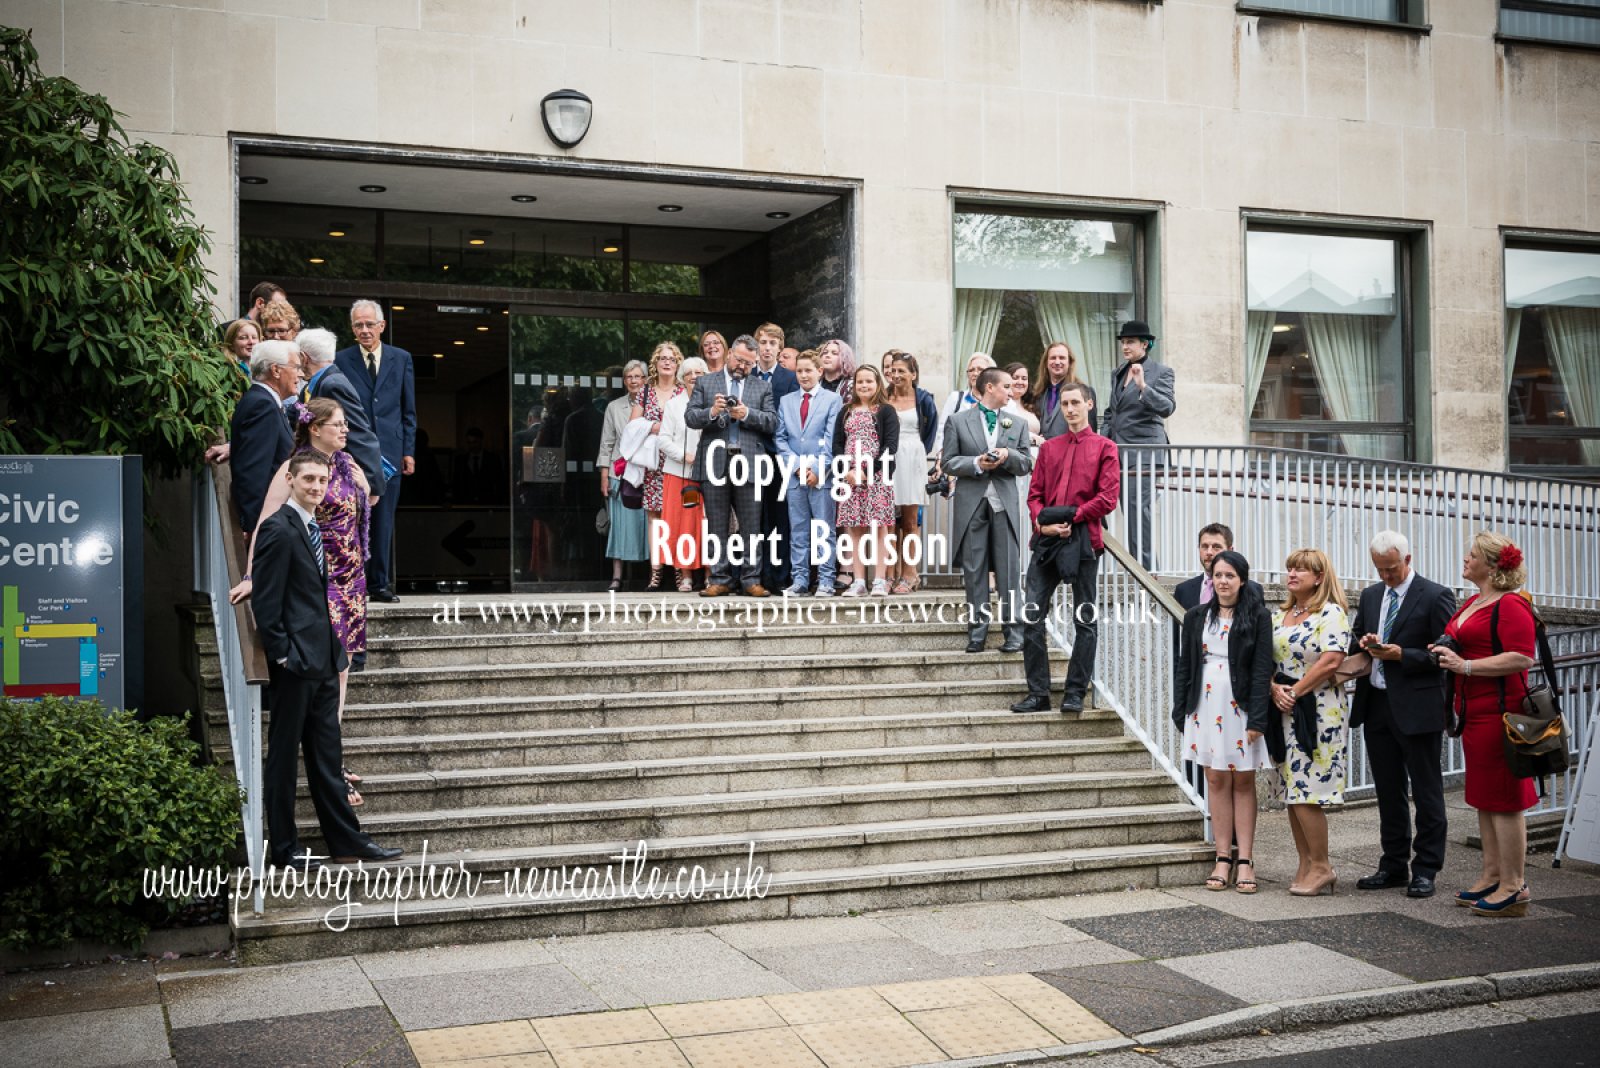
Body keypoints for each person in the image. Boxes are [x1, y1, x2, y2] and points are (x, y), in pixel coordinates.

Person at [249, 450, 401, 869]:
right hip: (296, 664)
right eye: (308, 479)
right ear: (291, 480)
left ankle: (346, 841)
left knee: (327, 757)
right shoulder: (278, 528)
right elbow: (266, 602)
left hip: (324, 660)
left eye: (321, 480)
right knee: (283, 759)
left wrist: (332, 652)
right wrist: (283, 655)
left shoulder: (311, 525)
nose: (316, 486)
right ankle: (284, 849)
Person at [232, 398, 372, 799]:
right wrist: (252, 574)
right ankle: (330, 765)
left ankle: (331, 758)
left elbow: (360, 513)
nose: (345, 431)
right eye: (338, 425)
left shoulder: (347, 464)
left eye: (346, 425)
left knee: (342, 670)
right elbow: (267, 520)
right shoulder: (293, 469)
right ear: (315, 428)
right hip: (316, 579)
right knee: (327, 672)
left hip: (351, 581)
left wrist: (364, 487)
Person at [1432, 532, 1539, 917]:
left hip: (1501, 714)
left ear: (1492, 566)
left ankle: (1514, 885)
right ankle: (1493, 874)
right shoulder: (1476, 601)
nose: (1466, 558)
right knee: (1484, 796)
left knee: (1506, 800)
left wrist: (1466, 666)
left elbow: (1522, 657)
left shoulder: (1511, 604)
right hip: (1475, 713)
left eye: (1473, 554)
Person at [1347, 531, 1456, 899]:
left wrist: (1402, 655)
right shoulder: (1371, 595)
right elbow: (1357, 636)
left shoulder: (1436, 595)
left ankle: (1425, 869)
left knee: (1426, 791)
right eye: (1379, 569)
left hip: (1418, 707)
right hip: (1377, 703)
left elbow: (1445, 654)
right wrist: (1364, 642)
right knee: (1388, 790)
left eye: (1391, 569)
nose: (1385, 576)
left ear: (1408, 560)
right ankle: (1393, 864)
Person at [1171, 550, 1276, 894]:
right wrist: (1180, 710)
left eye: (1230, 575)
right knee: (1214, 779)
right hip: (1203, 705)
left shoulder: (1258, 616)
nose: (1223, 581)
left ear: (1242, 580)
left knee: (1243, 780)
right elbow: (1185, 665)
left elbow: (1262, 669)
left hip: (1239, 707)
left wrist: (1258, 717)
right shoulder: (1196, 616)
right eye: (1218, 575)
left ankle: (1245, 860)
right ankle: (1222, 858)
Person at [1011, 383, 1118, 714]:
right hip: (1047, 540)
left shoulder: (1105, 447)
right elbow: (1035, 495)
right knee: (1032, 615)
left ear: (1089, 404)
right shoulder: (1049, 449)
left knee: (1084, 618)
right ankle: (1038, 693)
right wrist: (1042, 524)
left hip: (1084, 539)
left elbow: (1108, 498)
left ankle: (1075, 693)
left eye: (1076, 403)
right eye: (1066, 404)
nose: (1070, 409)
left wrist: (1074, 516)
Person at [1270, 548, 1351, 896]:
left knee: (1308, 790)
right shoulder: (1280, 614)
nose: (1292, 573)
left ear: (1319, 577)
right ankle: (1305, 862)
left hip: (1318, 711)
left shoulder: (1331, 613)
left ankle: (1322, 865)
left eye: (1301, 569)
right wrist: (1274, 688)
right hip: (1284, 707)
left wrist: (1296, 691)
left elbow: (1331, 660)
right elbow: (1265, 659)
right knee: (1292, 790)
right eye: (1290, 568)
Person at [943, 367, 1033, 654]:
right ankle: (977, 633)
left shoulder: (1017, 423)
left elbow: (1026, 463)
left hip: (1004, 504)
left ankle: (1014, 632)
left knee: (1009, 570)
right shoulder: (957, 421)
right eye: (1007, 386)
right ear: (990, 388)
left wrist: (1008, 455)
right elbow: (948, 462)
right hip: (972, 503)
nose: (1012, 391)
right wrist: (977, 463)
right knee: (975, 570)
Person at [335, 299, 416, 603]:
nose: (365, 330)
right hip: (354, 450)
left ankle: (379, 584)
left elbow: (408, 409)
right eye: (359, 325)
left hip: (390, 451)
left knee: (383, 519)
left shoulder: (401, 358)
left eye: (370, 324)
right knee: (352, 515)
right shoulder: (341, 360)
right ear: (352, 328)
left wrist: (408, 450)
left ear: (382, 326)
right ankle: (352, 581)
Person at [686, 334, 778, 597]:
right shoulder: (705, 382)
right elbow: (690, 417)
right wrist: (712, 412)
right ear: (729, 355)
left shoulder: (762, 387)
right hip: (714, 462)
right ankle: (719, 579)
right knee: (717, 525)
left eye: (749, 363)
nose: (742, 366)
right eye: (739, 360)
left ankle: (751, 580)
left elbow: (772, 422)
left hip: (749, 463)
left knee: (751, 526)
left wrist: (747, 414)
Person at [1102, 320, 1175, 570]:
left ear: (1145, 344)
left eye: (1130, 342)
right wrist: (1102, 442)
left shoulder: (1161, 372)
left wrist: (1143, 386)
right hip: (1116, 452)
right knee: (1112, 506)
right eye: (1123, 342)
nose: (1125, 346)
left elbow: (1167, 407)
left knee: (1137, 510)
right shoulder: (1117, 373)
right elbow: (1112, 413)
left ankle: (1147, 573)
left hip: (1144, 453)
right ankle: (1135, 569)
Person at [775, 351, 843, 597]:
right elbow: (780, 438)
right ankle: (800, 580)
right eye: (799, 371)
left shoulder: (833, 400)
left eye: (808, 370)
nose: (803, 375)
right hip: (794, 476)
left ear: (819, 372)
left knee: (824, 530)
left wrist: (816, 470)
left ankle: (826, 580)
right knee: (799, 530)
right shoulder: (786, 401)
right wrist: (796, 467)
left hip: (821, 476)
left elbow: (832, 439)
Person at [833, 365, 899, 597]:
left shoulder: (886, 411)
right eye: (860, 381)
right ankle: (859, 580)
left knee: (879, 527)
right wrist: (847, 471)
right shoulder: (846, 411)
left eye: (869, 381)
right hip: (851, 478)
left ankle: (879, 580)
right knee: (855, 529)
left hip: (877, 477)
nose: (864, 385)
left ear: (877, 383)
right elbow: (837, 444)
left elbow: (890, 446)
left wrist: (868, 471)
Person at [297, 327, 383, 504]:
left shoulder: (333, 384)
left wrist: (372, 485)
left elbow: (359, 432)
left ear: (304, 358)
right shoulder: (316, 384)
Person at [229, 340, 298, 536]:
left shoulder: (264, 401)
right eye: (295, 367)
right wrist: (255, 529)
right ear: (276, 370)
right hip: (267, 525)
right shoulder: (263, 405)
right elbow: (253, 472)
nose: (300, 374)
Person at [631, 342, 684, 591]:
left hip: (678, 461)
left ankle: (679, 569)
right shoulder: (645, 392)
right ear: (655, 362)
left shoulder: (683, 391)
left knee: (679, 515)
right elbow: (632, 426)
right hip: (653, 463)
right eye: (662, 358)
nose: (667, 362)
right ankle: (656, 570)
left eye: (672, 359)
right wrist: (656, 427)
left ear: (677, 364)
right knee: (655, 517)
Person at [752, 323, 799, 592]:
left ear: (780, 347)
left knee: (780, 518)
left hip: (779, 457)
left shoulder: (790, 379)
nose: (767, 348)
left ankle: (780, 576)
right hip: (750, 456)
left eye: (772, 343)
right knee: (753, 518)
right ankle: (755, 575)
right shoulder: (746, 375)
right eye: (763, 342)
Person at [885, 352, 936, 594]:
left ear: (913, 374)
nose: (896, 375)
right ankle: (889, 574)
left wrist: (919, 453)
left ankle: (909, 573)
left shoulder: (924, 399)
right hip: (889, 457)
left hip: (913, 456)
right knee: (888, 521)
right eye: (893, 370)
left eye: (901, 371)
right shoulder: (884, 396)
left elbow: (930, 431)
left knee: (910, 520)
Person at [658, 356, 709, 592]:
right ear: (682, 378)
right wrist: (683, 455)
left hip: (709, 474)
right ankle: (686, 576)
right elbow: (662, 440)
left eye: (699, 373)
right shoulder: (674, 405)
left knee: (707, 525)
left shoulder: (713, 402)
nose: (694, 377)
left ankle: (710, 574)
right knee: (682, 526)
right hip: (679, 474)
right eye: (689, 373)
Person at [598, 361, 648, 591]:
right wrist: (604, 476)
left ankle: (654, 576)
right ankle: (616, 577)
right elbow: (606, 443)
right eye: (629, 377)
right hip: (620, 473)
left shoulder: (655, 403)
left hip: (648, 473)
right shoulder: (614, 407)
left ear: (645, 379)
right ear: (624, 381)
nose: (634, 381)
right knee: (618, 526)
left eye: (638, 376)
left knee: (649, 526)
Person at [932, 352, 997, 459]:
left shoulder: (1002, 401)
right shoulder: (956, 398)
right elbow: (943, 430)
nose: (975, 373)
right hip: (960, 461)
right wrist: (941, 457)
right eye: (971, 370)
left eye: (980, 369)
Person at [1030, 341, 1098, 438]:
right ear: (1046, 363)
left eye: (1062, 358)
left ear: (1070, 362)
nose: (1057, 362)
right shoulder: (1038, 393)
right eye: (1053, 358)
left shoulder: (1085, 391)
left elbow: (1089, 433)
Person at [450, 427, 505, 505]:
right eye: (469, 443)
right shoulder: (460, 460)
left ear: (481, 441)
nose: (472, 446)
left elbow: (499, 483)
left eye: (475, 442)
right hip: (466, 503)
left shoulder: (492, 459)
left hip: (487, 503)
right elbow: (456, 484)